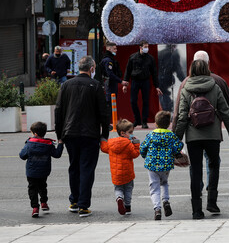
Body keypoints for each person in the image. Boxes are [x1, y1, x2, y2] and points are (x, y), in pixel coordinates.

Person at [175, 60, 229, 219]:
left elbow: (182, 117)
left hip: (193, 136)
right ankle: (212, 202)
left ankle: (196, 210)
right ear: (207, 69)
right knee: (214, 165)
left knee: (195, 171)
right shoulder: (214, 87)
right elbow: (225, 111)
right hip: (212, 134)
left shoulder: (185, 89)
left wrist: (177, 140)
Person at [54, 55, 110, 217]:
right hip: (90, 134)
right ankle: (84, 205)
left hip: (69, 132)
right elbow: (103, 113)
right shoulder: (95, 85)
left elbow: (59, 111)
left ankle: (74, 201)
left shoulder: (66, 85)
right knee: (86, 168)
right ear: (92, 68)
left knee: (74, 167)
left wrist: (60, 135)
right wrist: (104, 135)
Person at [140, 110, 184, 220]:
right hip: (166, 165)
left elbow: (143, 148)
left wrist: (144, 155)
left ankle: (157, 208)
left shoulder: (151, 135)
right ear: (168, 124)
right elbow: (177, 147)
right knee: (164, 183)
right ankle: (166, 201)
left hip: (152, 164)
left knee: (154, 187)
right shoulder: (171, 135)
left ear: (155, 123)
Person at [19, 121, 64, 218]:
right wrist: (60, 144)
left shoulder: (29, 144)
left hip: (31, 172)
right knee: (43, 186)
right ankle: (44, 202)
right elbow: (57, 154)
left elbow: (22, 156)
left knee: (32, 188)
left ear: (35, 133)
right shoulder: (49, 144)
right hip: (44, 171)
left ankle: (35, 208)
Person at [100, 119, 140, 216]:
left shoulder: (110, 143)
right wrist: (136, 144)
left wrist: (102, 140)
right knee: (128, 189)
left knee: (118, 189)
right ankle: (127, 206)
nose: (131, 134)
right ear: (122, 133)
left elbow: (103, 148)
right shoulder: (129, 144)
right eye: (130, 132)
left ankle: (119, 198)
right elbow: (135, 154)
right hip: (128, 173)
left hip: (116, 174)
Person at [123, 41, 162, 129]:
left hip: (145, 81)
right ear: (140, 47)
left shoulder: (150, 58)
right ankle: (137, 120)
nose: (146, 48)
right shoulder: (133, 57)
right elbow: (128, 70)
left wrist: (157, 86)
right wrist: (125, 83)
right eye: (145, 46)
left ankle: (144, 121)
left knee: (146, 101)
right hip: (135, 81)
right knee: (133, 101)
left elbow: (154, 73)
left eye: (147, 46)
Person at [99, 42, 123, 108]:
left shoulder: (109, 59)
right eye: (114, 49)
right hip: (109, 85)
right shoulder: (108, 60)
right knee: (110, 104)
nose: (116, 50)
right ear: (109, 49)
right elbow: (110, 74)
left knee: (112, 104)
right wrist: (121, 81)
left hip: (111, 84)